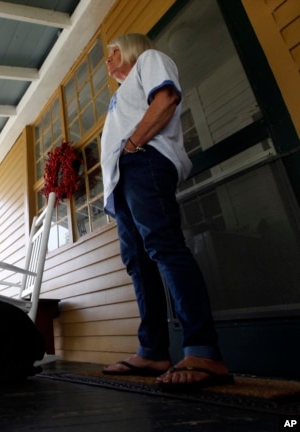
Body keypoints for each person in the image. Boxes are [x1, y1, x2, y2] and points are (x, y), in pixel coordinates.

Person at [98, 34, 232, 390]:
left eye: (113, 53)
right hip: (123, 178)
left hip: (144, 162)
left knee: (164, 247)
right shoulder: (118, 96)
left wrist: (133, 144)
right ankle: (153, 350)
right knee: (138, 263)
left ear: (129, 50)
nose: (108, 62)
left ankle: (203, 349)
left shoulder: (150, 60)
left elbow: (167, 97)